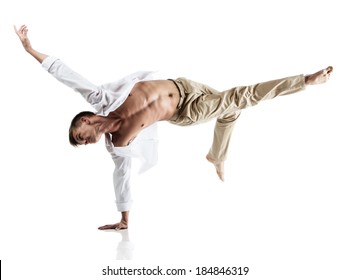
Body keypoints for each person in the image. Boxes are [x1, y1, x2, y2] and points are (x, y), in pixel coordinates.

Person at [14, 24, 333, 230]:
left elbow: (66, 74)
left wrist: (31, 49)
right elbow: (121, 177)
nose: (85, 143)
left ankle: (216, 155)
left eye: (80, 138)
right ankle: (304, 81)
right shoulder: (119, 143)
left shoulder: (101, 97)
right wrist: (124, 218)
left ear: (84, 121)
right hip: (187, 110)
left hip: (187, 85)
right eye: (81, 144)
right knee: (240, 97)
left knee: (231, 112)